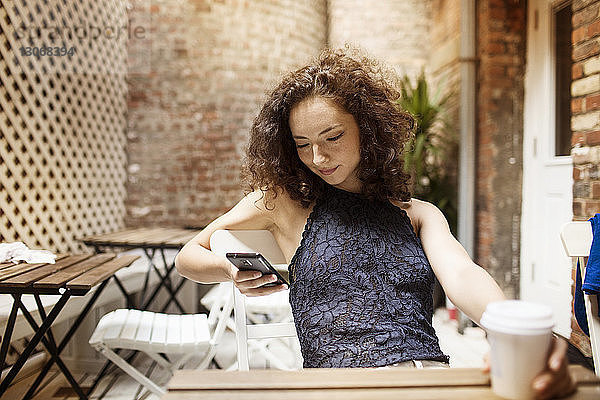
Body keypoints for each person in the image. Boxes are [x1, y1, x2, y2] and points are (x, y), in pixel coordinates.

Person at [175, 47, 574, 398]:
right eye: (302, 145)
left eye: (332, 137)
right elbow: (188, 256)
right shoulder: (283, 201)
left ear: (367, 129)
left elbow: (464, 275)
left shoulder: (418, 213)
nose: (317, 157)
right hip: (338, 387)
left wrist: (521, 332)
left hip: (426, 380)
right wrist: (227, 268)